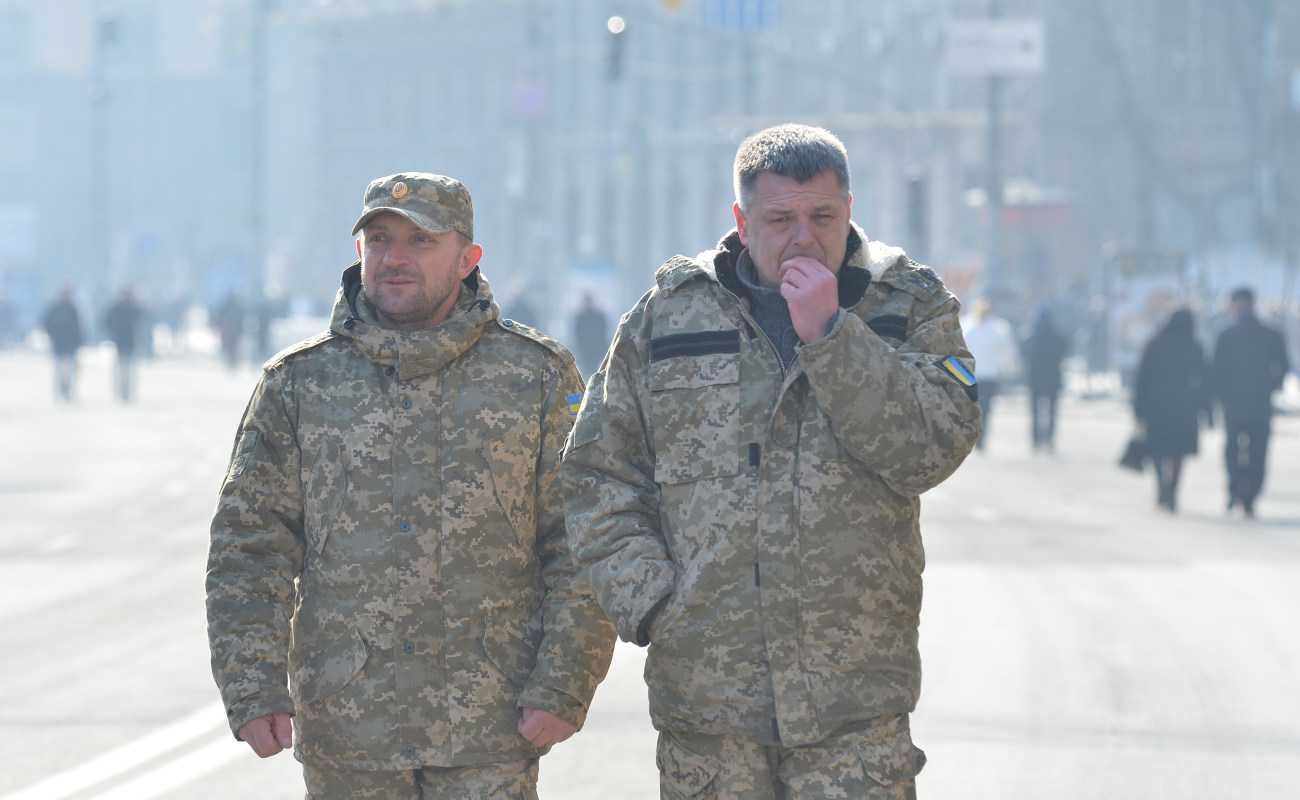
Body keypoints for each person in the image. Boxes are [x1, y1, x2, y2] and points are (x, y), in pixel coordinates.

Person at [562, 124, 982, 799]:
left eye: (823, 217)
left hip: (853, 701)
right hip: (709, 701)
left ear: (849, 209)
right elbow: (596, 474)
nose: (804, 237)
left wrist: (833, 336)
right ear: (741, 219)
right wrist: (654, 604)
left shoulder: (907, 305)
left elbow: (931, 448)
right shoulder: (668, 317)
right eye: (779, 219)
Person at [206, 172, 616, 798]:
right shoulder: (298, 384)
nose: (395, 258)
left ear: (468, 257)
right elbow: (249, 548)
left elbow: (581, 540)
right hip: (349, 732)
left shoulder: (534, 375)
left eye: (420, 240)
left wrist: (565, 682)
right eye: (379, 239)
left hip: (490, 730)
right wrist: (251, 684)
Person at [1210, 287, 1290, 517]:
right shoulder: (1269, 333)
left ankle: (1237, 490)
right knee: (1256, 452)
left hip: (1236, 404)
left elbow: (1215, 370)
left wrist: (1220, 396)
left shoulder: (1226, 334)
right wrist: (1270, 386)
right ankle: (1248, 495)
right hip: (1258, 404)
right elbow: (1283, 367)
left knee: (1235, 450)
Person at [1132, 308, 1212, 513]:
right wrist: (1206, 409)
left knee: (1157, 449)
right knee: (1178, 452)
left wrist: (1138, 408)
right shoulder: (1194, 346)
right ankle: (1172, 489)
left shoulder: (1155, 344)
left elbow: (1142, 378)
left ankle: (1161, 485)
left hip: (1156, 404)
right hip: (1184, 405)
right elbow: (1204, 381)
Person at [960, 296, 1020, 450]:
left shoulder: (966, 325)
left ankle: (968, 437)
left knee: (969, 407)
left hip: (968, 374)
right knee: (985, 409)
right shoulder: (999, 328)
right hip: (990, 375)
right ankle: (981, 440)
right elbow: (1008, 353)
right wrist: (1012, 370)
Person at [1021, 306, 1069, 453]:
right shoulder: (1059, 338)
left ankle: (1035, 441)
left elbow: (1024, 354)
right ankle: (1050, 440)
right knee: (1052, 411)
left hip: (1034, 378)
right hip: (1053, 377)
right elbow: (1064, 352)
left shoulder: (1029, 338)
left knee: (1035, 411)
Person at [42, 284, 84, 402]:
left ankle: (68, 391)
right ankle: (57, 392)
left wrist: (79, 341)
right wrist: (52, 336)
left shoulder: (73, 308)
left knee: (71, 369)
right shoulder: (55, 308)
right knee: (59, 369)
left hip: (71, 344)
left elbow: (79, 327)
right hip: (59, 343)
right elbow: (47, 323)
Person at [103, 286, 145, 402]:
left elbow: (143, 318)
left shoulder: (133, 308)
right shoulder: (116, 308)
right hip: (119, 342)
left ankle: (128, 392)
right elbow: (106, 321)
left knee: (129, 370)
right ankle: (119, 392)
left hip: (131, 342)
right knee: (119, 369)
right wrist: (114, 333)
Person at [571, 292, 610, 378]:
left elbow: (577, 332)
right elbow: (604, 331)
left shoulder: (581, 317)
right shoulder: (599, 315)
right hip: (596, 346)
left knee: (588, 369)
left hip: (587, 347)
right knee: (596, 369)